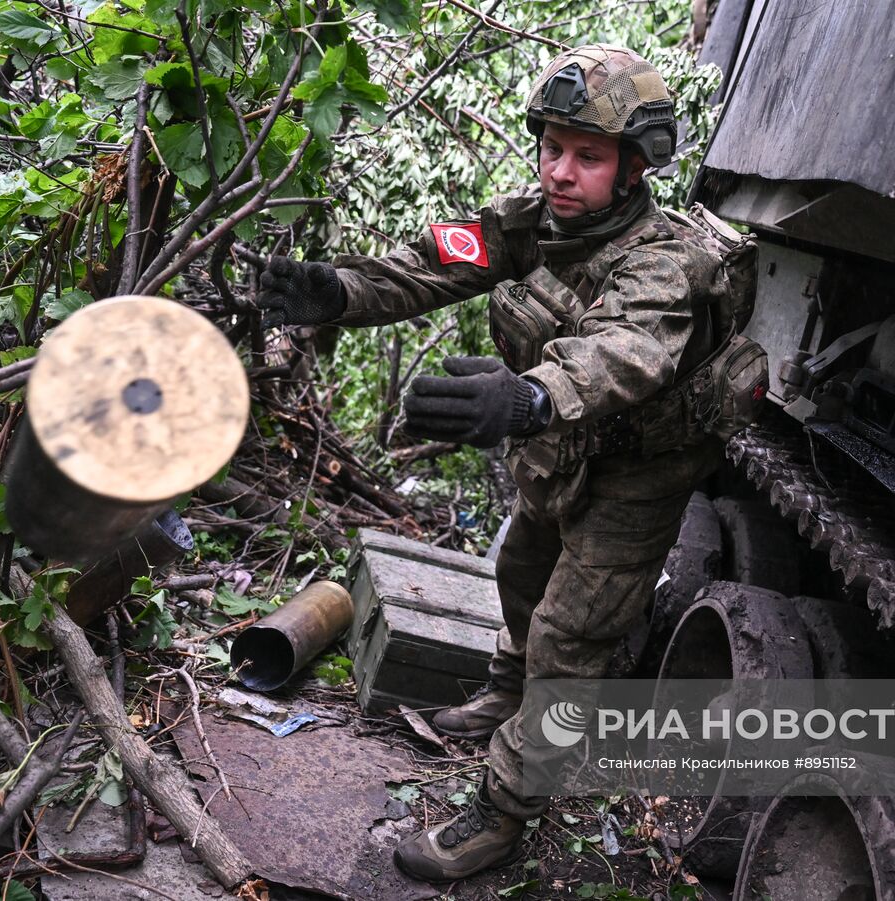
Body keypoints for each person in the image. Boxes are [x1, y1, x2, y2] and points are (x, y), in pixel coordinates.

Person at [256, 44, 732, 882]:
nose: (560, 170)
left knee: (569, 638)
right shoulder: (533, 221)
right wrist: (340, 290)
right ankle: (509, 691)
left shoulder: (665, 261)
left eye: (587, 156)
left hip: (642, 467)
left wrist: (527, 399)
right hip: (563, 443)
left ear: (632, 169)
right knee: (520, 570)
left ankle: (507, 809)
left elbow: (623, 350)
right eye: (551, 146)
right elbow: (443, 257)